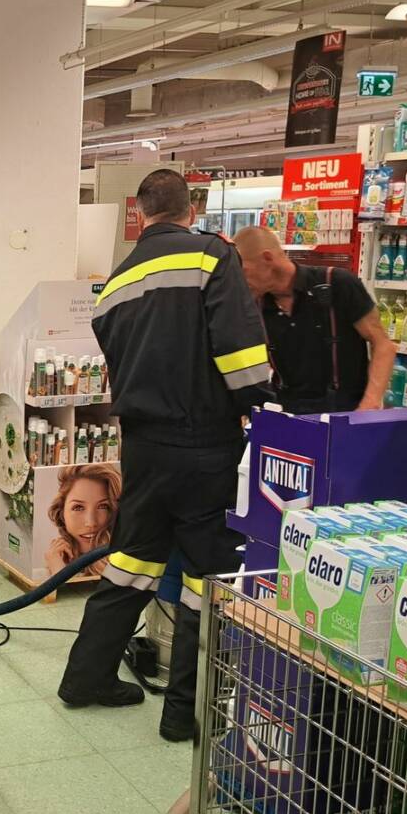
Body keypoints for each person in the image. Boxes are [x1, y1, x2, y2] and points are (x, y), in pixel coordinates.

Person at [58, 169, 273, 742]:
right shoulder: (211, 256)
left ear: (140, 214)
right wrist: (266, 407)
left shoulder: (115, 283)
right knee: (208, 577)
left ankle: (85, 678)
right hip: (205, 444)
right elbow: (241, 353)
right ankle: (185, 714)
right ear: (190, 209)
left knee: (131, 563)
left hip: (143, 448)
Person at [233, 225, 396, 412]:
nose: (239, 281)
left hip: (345, 416)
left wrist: (369, 405)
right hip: (287, 417)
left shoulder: (338, 283)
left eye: (243, 271)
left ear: (267, 258)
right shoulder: (255, 306)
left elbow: (383, 345)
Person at [43, 463, 121, 579]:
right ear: (61, 512)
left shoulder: (124, 564)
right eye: (78, 507)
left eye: (102, 506)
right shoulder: (55, 559)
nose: (91, 523)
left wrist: (58, 572)